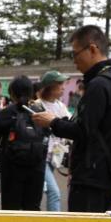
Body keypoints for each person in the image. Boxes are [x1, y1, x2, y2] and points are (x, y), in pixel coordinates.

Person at [31, 25, 111, 213]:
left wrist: (53, 122)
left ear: (92, 49)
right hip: (105, 173)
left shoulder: (99, 85)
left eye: (75, 54)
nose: (74, 61)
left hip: (91, 176)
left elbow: (84, 131)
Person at [0, 76, 48, 211]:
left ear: (12, 94)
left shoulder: (6, 113)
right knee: (32, 208)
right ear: (32, 92)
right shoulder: (40, 112)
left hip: (11, 168)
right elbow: (47, 135)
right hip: (37, 167)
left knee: (10, 208)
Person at [37, 70, 70, 212]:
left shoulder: (60, 106)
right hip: (40, 156)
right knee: (54, 193)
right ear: (50, 86)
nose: (63, 87)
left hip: (54, 157)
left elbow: (69, 127)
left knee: (41, 190)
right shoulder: (37, 105)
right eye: (60, 84)